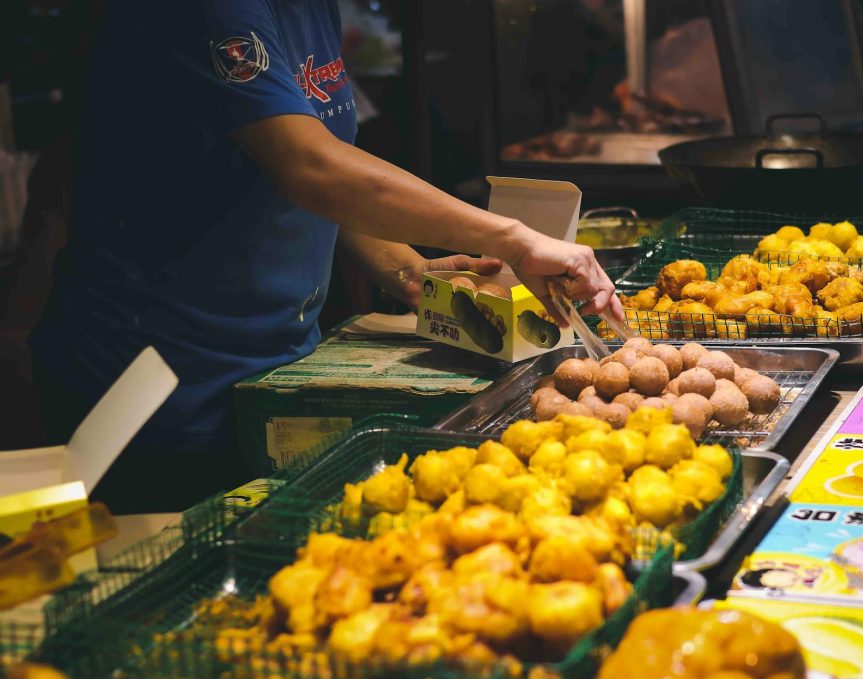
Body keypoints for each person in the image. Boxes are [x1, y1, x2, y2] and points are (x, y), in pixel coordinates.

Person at [29, 0, 621, 513]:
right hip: (158, 379)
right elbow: (309, 167)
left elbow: (317, 171)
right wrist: (514, 237)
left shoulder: (312, 8)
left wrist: (410, 272)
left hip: (274, 363)